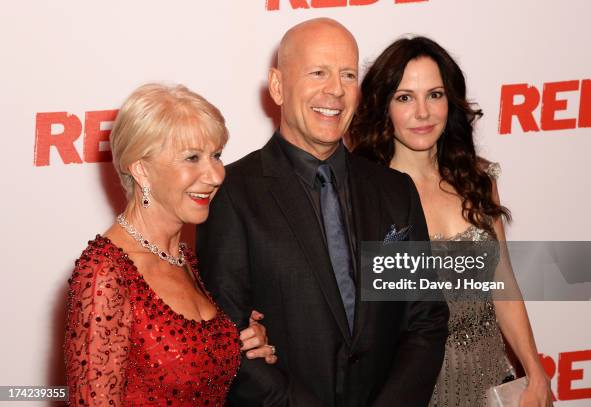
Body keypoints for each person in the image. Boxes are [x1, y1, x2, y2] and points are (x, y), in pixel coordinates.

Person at [196, 18, 449, 407]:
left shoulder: (394, 190)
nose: (335, 90)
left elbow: (425, 320)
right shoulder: (232, 194)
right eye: (318, 72)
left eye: (348, 75)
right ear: (278, 86)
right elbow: (229, 340)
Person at [348, 37, 553, 407]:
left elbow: (503, 282)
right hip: (411, 391)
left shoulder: (477, 179)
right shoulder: (365, 196)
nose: (423, 112)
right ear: (384, 106)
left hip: (492, 383)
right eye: (405, 97)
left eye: (435, 94)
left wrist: (534, 370)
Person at [64, 83, 276, 406]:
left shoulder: (182, 257)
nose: (216, 175)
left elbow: (186, 363)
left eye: (216, 156)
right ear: (142, 170)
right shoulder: (106, 274)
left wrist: (241, 342)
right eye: (192, 158)